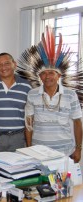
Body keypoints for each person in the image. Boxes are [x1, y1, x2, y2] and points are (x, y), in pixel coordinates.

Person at [17, 26, 82, 163]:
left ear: (58, 75)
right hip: (39, 152)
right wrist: (29, 149)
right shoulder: (32, 94)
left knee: (65, 184)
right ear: (39, 76)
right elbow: (29, 123)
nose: (47, 77)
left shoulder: (70, 95)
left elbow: (77, 123)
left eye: (51, 73)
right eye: (44, 73)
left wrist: (78, 149)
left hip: (65, 152)